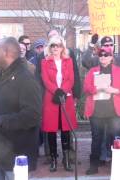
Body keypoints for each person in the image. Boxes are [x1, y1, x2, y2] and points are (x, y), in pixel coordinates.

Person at [0, 37, 42, 179]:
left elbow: (32, 115)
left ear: (5, 52)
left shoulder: (25, 78)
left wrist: (1, 120)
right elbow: (1, 105)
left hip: (16, 155)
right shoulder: (5, 75)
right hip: (0, 154)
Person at [83, 47, 120, 175]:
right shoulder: (93, 71)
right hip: (97, 111)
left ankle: (119, 165)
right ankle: (94, 165)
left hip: (114, 111)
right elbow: (86, 88)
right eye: (101, 55)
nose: (103, 57)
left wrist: (113, 90)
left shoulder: (119, 71)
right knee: (96, 138)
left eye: (106, 55)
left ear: (111, 57)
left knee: (116, 138)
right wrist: (96, 89)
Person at [41, 35, 78, 172]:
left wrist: (62, 91)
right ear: (50, 48)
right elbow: (45, 80)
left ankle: (66, 160)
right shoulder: (45, 62)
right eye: (53, 45)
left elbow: (71, 79)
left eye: (58, 45)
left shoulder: (68, 61)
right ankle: (54, 160)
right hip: (51, 99)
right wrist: (55, 91)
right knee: (51, 131)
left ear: (62, 47)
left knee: (65, 130)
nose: (55, 48)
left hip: (65, 98)